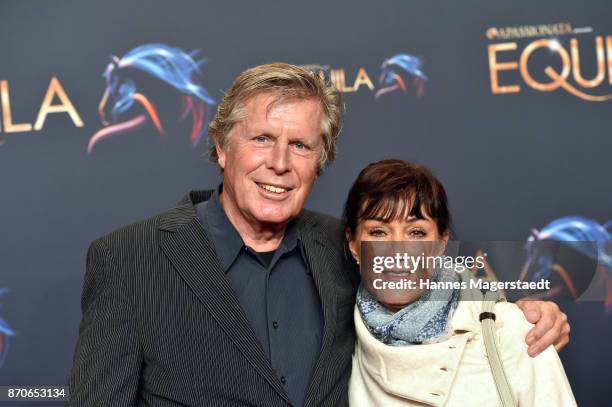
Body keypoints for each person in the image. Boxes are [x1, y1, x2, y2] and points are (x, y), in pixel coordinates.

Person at [69, 63, 570, 406]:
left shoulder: (342, 246)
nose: (280, 163)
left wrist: (523, 313)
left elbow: (429, 276)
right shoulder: (130, 258)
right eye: (263, 138)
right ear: (222, 147)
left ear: (320, 162)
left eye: (301, 145)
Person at [345, 159, 576, 406]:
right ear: (353, 244)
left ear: (441, 243)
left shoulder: (509, 330)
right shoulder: (336, 336)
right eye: (378, 232)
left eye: (416, 233)